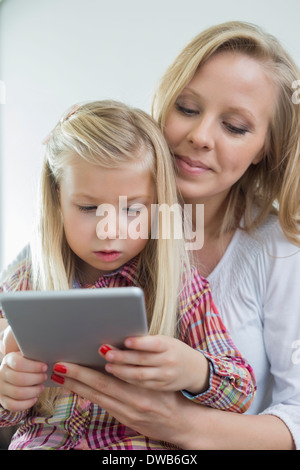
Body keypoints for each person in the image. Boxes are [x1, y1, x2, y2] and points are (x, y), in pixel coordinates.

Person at [45, 22, 300, 450]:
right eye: (186, 108)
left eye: (234, 127)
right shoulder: (100, 226)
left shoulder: (280, 250)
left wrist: (178, 425)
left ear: (266, 148)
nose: (199, 137)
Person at [0, 100, 256, 450]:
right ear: (57, 200)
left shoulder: (180, 288)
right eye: (89, 208)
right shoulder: (24, 284)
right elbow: (8, 415)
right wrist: (8, 392)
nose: (110, 231)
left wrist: (193, 370)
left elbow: (241, 391)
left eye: (132, 209)